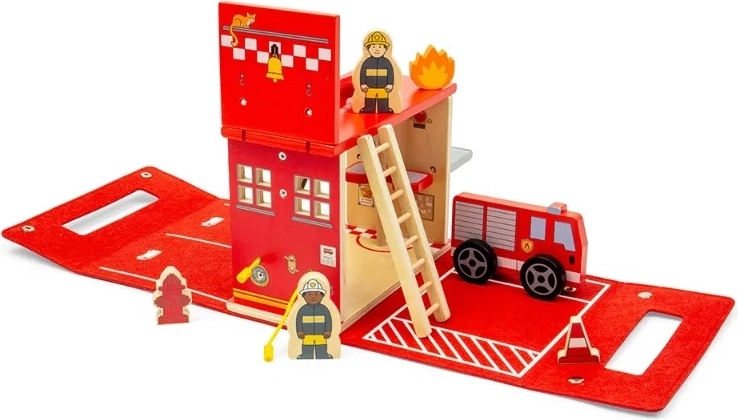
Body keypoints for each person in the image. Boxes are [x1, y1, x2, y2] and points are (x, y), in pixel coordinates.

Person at [295, 279, 334, 359]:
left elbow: (328, 320)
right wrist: (299, 331)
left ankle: (323, 355)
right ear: (304, 296)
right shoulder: (302, 310)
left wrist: (328, 331)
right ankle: (305, 355)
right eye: (309, 294)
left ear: (322, 295)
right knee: (307, 346)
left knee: (321, 346)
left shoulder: (324, 309)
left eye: (316, 294)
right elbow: (298, 321)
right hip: (306, 334)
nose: (313, 296)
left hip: (321, 334)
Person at [358, 31, 395, 113]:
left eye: (380, 46)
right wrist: (363, 84)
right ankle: (368, 108)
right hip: (370, 87)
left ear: (385, 48)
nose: (377, 49)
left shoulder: (387, 62)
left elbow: (391, 74)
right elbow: (362, 74)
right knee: (369, 98)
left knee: (383, 99)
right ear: (368, 48)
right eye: (373, 46)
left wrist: (390, 84)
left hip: (383, 87)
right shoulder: (366, 62)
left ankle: (384, 108)